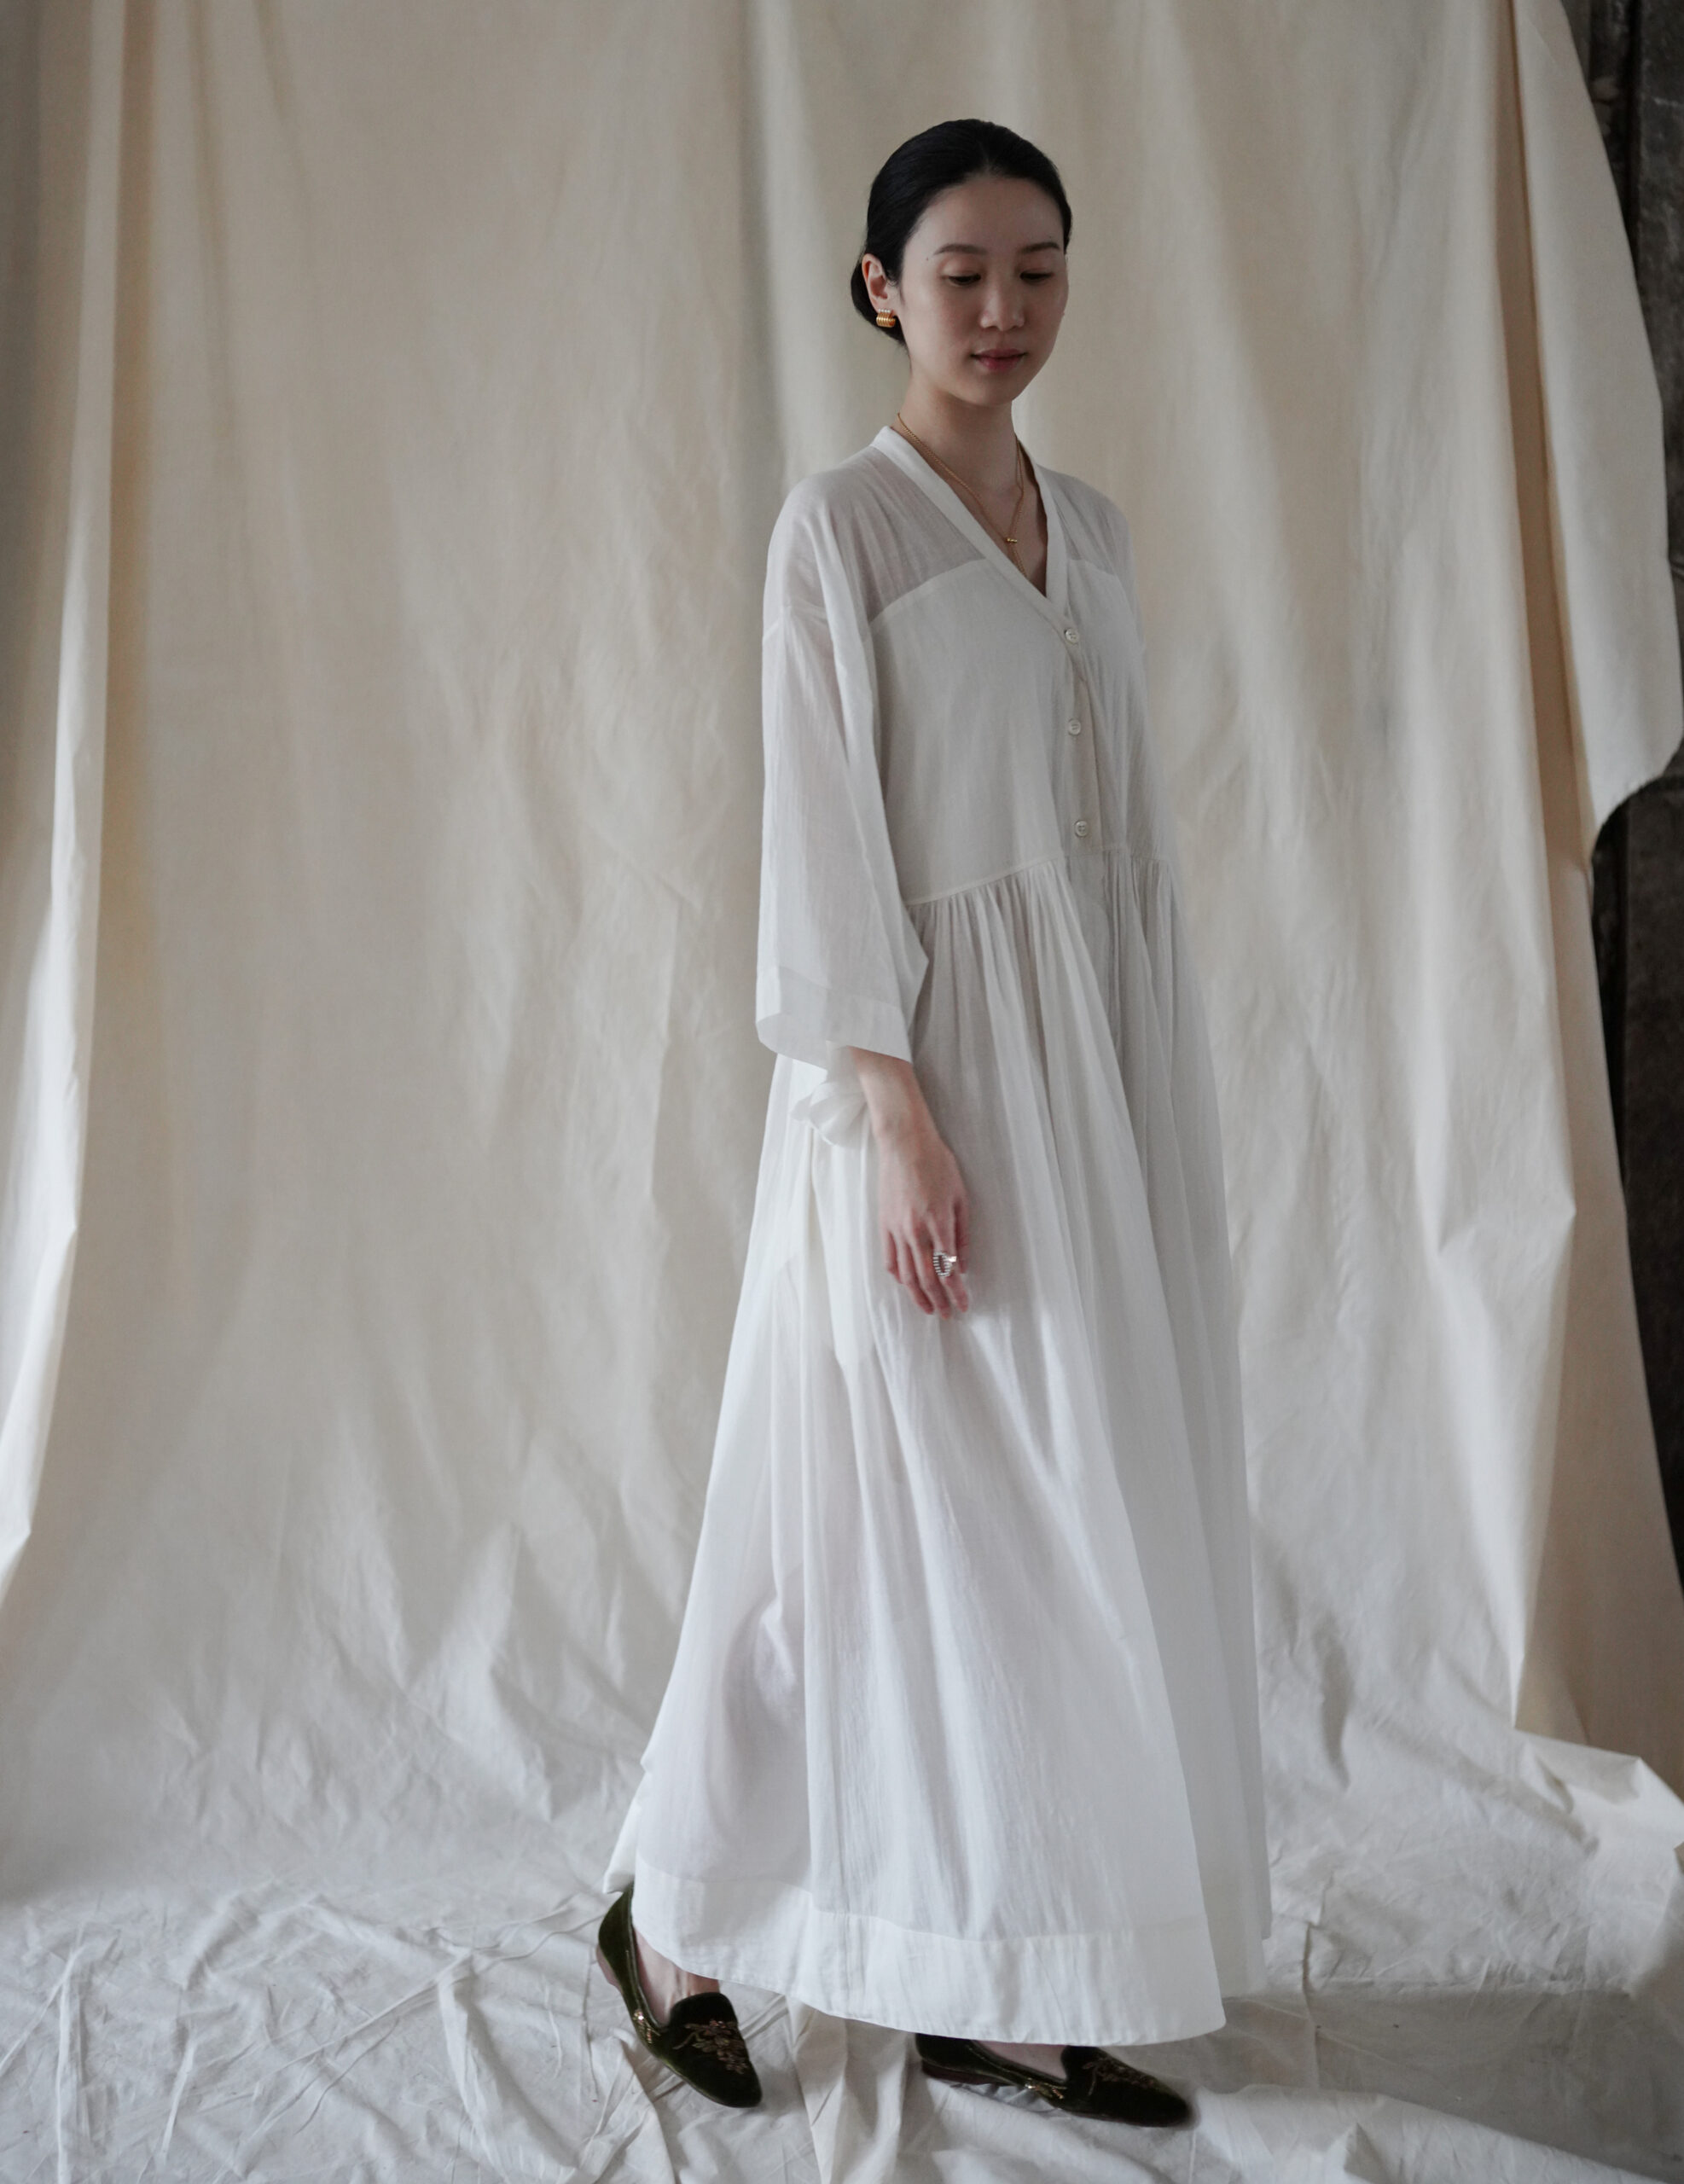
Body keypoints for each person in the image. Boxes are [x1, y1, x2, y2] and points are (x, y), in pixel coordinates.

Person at [597, 117, 1270, 2133]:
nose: (1003, 310)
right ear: (884, 287)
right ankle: (675, 1916)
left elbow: (1117, 850)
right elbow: (826, 845)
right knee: (844, 1525)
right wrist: (899, 1117)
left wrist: (1141, 1097)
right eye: (962, 272)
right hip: (924, 1092)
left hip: (1097, 1089)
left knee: (1058, 1530)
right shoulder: (842, 534)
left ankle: (1008, 1980)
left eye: (1037, 270)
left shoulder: (1103, 532)